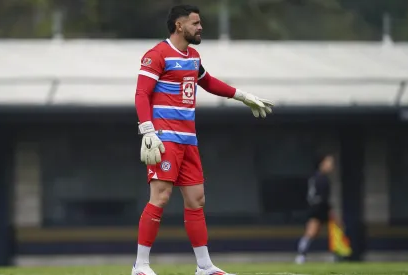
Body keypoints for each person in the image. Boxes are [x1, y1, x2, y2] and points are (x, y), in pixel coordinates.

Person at [133, 4, 274, 275]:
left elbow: (207, 82)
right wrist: (147, 131)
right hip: (165, 139)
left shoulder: (194, 56)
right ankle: (140, 265)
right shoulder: (157, 54)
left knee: (196, 200)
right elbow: (141, 94)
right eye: (195, 23)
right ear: (179, 26)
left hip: (188, 140)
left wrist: (242, 96)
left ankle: (205, 267)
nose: (200, 28)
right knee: (160, 197)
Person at [295, 153, 342, 264]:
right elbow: (319, 197)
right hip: (318, 208)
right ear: (322, 163)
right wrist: (329, 210)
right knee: (312, 232)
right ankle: (301, 255)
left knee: (335, 229)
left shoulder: (321, 178)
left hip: (320, 207)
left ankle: (337, 254)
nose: (331, 165)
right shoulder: (319, 178)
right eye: (329, 162)